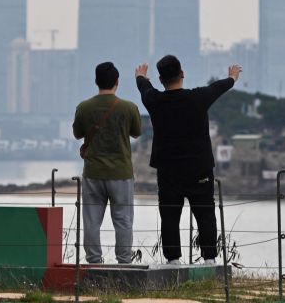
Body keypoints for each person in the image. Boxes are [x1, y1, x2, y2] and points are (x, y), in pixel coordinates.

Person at [135, 55, 241, 266]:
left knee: (170, 215)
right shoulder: (198, 97)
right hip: (199, 168)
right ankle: (210, 259)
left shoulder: (154, 100)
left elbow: (144, 87)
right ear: (182, 74)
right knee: (205, 213)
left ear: (161, 79)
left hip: (168, 170)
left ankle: (173, 260)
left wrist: (140, 76)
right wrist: (232, 77)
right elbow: (218, 87)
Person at [72, 62, 143, 264]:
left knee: (92, 221)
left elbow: (78, 134)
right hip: (121, 173)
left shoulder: (84, 107)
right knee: (123, 220)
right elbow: (137, 133)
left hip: (93, 173)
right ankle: (124, 261)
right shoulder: (129, 108)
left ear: (96, 82)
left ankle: (94, 261)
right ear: (117, 82)